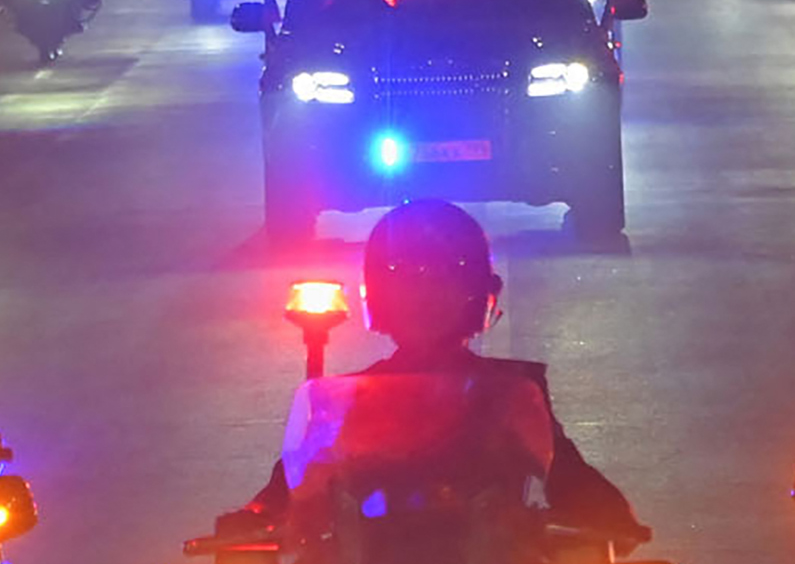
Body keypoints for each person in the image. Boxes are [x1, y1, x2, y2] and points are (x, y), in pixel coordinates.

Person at [232, 200, 642, 542]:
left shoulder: (511, 392)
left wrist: (601, 511)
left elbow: (563, 471)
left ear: (475, 293)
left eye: (442, 279)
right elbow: (294, 483)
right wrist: (258, 515)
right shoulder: (352, 396)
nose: (424, 295)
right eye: (407, 280)